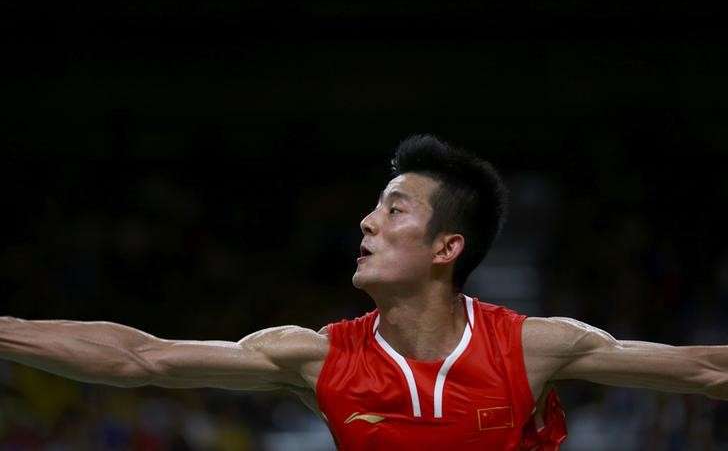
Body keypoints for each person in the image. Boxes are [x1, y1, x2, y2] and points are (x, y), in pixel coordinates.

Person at [1, 134, 726, 450]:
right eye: (375, 207)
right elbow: (140, 356)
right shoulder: (313, 358)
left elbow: (705, 369)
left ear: (448, 248)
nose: (367, 221)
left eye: (394, 209)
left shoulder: (536, 346)